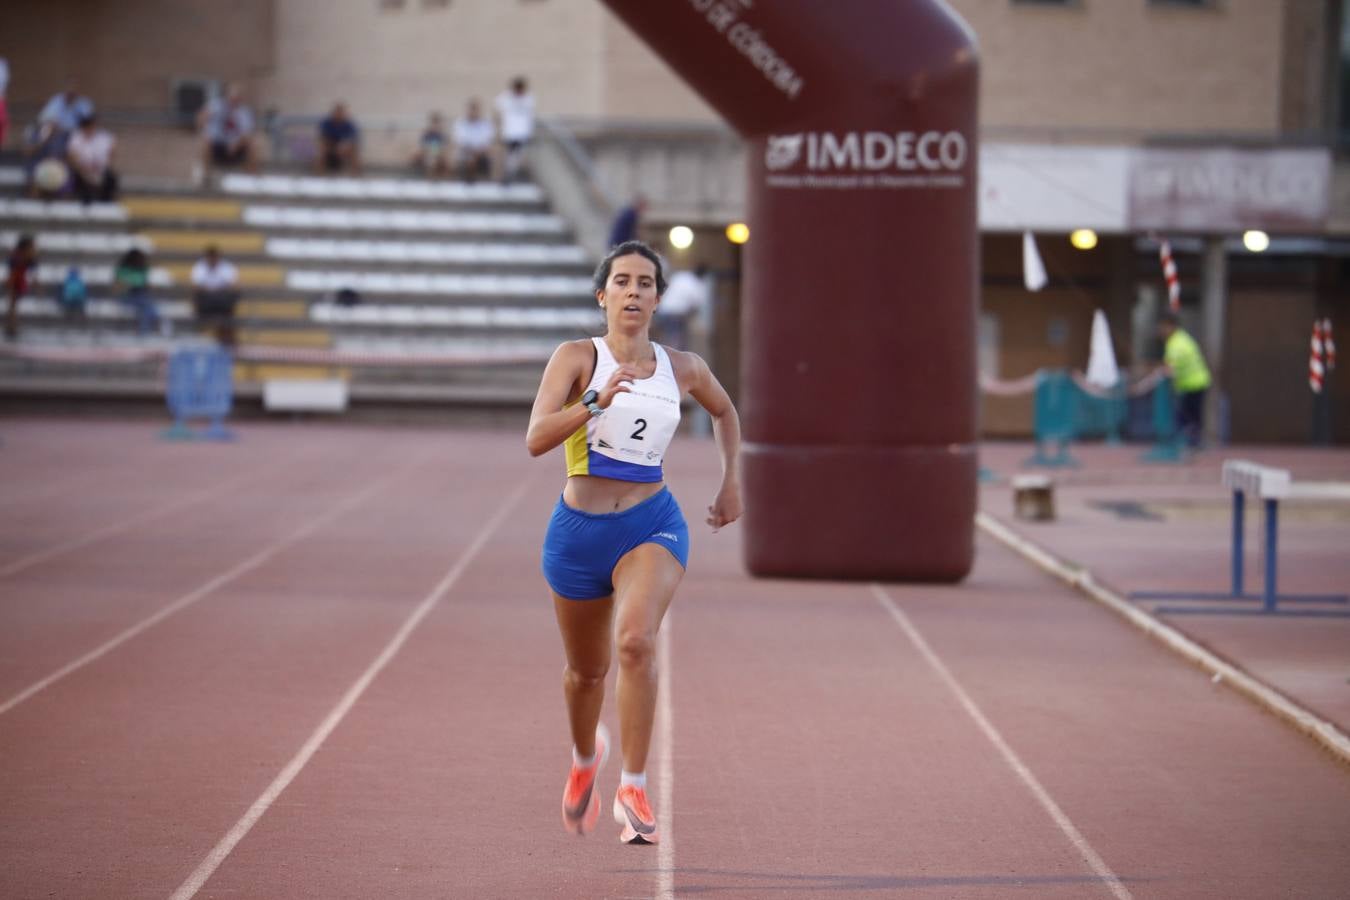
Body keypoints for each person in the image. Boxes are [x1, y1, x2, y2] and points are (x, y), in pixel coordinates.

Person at [525, 240, 743, 844]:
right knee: (584, 674)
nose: (634, 291)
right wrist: (594, 399)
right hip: (577, 532)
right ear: (603, 296)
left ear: (657, 299)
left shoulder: (685, 367)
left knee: (636, 643)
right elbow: (536, 438)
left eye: (646, 283)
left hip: (652, 522)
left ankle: (634, 784)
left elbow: (725, 413)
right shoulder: (575, 357)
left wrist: (731, 482)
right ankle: (583, 761)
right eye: (622, 281)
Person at [1157, 312, 1211, 448]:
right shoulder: (1181, 338)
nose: (1161, 331)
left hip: (1194, 384)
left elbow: (1169, 367)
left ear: (1171, 326)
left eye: (1163, 327)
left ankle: (1191, 442)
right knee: (1189, 415)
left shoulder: (1176, 343)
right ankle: (1191, 441)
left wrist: (1161, 371)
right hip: (1192, 383)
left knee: (1188, 415)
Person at [198, 83, 259, 175]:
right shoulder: (216, 105)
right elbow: (202, 117)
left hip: (236, 145)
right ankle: (205, 174)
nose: (234, 100)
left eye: (237, 97)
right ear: (227, 95)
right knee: (205, 142)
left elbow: (247, 133)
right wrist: (204, 128)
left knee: (254, 144)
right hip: (217, 143)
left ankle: (251, 176)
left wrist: (237, 143)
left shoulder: (245, 112)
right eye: (232, 96)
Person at [190, 245, 240, 344]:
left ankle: (225, 331)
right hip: (206, 299)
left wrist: (213, 290)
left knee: (229, 297)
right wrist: (214, 290)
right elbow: (196, 287)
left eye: (214, 257)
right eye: (210, 257)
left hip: (222, 299)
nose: (212, 259)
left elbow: (234, 286)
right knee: (200, 296)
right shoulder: (199, 267)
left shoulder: (227, 267)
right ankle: (202, 324)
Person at [65, 113, 118, 204]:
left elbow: (111, 155)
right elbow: (71, 156)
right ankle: (85, 202)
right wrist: (83, 168)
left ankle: (106, 202)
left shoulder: (105, 137)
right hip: (82, 170)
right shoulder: (76, 137)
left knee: (111, 178)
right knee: (79, 179)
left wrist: (101, 167)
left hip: (100, 169)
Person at [654, 264, 709, 351]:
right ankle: (671, 360)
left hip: (662, 311)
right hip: (676, 314)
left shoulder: (682, 275)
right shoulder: (698, 285)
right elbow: (695, 307)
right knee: (675, 342)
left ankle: (663, 356)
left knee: (666, 338)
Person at [114, 248, 163, 336]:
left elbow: (146, 286)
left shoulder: (142, 270)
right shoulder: (123, 270)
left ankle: (146, 331)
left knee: (147, 306)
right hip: (127, 297)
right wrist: (130, 285)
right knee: (147, 306)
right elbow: (118, 287)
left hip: (141, 297)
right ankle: (145, 332)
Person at [494, 76, 534, 182]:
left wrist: (529, 132)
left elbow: (529, 117)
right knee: (509, 155)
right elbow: (497, 111)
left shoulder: (528, 98)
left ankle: (514, 175)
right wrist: (498, 128)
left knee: (519, 156)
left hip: (522, 133)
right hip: (509, 132)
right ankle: (506, 176)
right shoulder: (506, 97)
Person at [452, 99, 494, 182]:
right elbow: (459, 140)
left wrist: (478, 152)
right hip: (465, 152)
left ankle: (479, 179)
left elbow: (488, 141)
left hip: (481, 153)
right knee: (468, 158)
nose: (473, 112)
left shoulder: (486, 124)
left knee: (488, 154)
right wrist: (471, 151)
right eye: (471, 109)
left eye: (475, 110)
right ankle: (467, 178)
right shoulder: (460, 123)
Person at [5, 234, 36, 340]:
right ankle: (11, 327)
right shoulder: (18, 256)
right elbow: (13, 270)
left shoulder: (25, 256)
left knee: (13, 305)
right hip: (15, 281)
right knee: (13, 305)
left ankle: (12, 327)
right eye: (31, 246)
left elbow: (32, 267)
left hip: (18, 281)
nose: (33, 248)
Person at [316, 102, 360, 174]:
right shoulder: (327, 123)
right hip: (329, 146)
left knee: (354, 151)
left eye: (341, 113)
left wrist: (344, 145)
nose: (339, 115)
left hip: (343, 148)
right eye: (337, 112)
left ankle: (355, 175)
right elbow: (322, 137)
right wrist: (331, 145)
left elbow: (353, 138)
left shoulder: (348, 124)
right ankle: (319, 174)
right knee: (322, 149)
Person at [411, 112, 449, 177]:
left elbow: (444, 148)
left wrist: (437, 154)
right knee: (418, 157)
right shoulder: (426, 134)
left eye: (436, 123)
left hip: (438, 155)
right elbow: (422, 147)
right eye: (433, 123)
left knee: (438, 161)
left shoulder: (442, 135)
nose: (435, 126)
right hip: (428, 154)